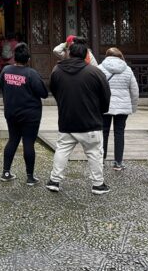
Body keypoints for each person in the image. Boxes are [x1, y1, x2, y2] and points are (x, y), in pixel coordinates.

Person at [46, 39, 111, 195]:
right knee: (94, 153)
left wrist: (62, 103)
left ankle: (54, 180)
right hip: (90, 121)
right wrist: (100, 111)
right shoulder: (95, 72)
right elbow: (106, 96)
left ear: (69, 53)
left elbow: (53, 90)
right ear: (86, 55)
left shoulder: (57, 70)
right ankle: (98, 184)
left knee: (62, 150)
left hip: (67, 119)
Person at [0, 43, 48, 185]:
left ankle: (6, 172)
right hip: (30, 114)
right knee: (28, 142)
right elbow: (43, 93)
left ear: (14, 57)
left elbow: (1, 85)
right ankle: (30, 177)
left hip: (11, 112)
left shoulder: (6, 70)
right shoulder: (31, 73)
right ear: (28, 59)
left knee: (12, 140)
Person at [98, 47, 139, 171]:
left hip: (104, 105)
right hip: (123, 106)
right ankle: (118, 162)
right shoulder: (127, 70)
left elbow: (95, 87)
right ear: (120, 56)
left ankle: (102, 160)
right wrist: (133, 106)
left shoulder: (100, 68)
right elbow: (134, 90)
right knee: (119, 133)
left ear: (107, 55)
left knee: (104, 133)